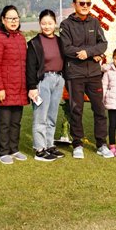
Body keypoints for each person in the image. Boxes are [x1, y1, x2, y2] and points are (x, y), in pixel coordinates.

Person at [60, 0, 113, 159]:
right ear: (74, 5)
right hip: (75, 74)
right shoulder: (66, 25)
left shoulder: (95, 22)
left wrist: (88, 53)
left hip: (94, 74)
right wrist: (81, 54)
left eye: (88, 3)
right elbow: (66, 48)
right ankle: (77, 144)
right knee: (76, 110)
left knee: (99, 110)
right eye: (81, 3)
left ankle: (101, 144)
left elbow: (103, 44)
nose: (85, 6)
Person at [0, 5, 28, 165]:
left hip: (19, 88)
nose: (13, 21)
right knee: (4, 122)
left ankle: (14, 149)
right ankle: (3, 151)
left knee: (16, 122)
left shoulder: (20, 37)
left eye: (16, 18)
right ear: (3, 20)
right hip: (4, 88)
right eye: (10, 18)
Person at [25, 9, 66, 162]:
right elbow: (30, 67)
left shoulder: (60, 41)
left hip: (58, 79)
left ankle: (49, 145)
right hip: (43, 81)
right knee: (40, 116)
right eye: (43, 23)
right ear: (40, 24)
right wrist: (32, 87)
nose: (47, 26)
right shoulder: (35, 43)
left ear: (55, 23)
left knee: (52, 115)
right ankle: (39, 149)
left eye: (50, 23)